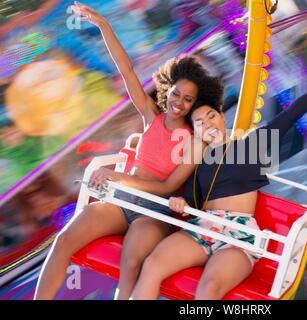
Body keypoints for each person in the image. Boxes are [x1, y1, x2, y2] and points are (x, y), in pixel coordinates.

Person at [34, 2, 223, 300]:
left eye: (188, 99)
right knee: (64, 240)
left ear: (194, 105)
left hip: (153, 211)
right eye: (176, 93)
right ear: (168, 89)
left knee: (131, 263)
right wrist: (103, 25)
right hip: (121, 201)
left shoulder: (194, 139)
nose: (179, 102)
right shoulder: (151, 115)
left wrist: (118, 177)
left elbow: (168, 186)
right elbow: (125, 67)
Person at [127, 63, 307, 299]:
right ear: (195, 132)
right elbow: (187, 201)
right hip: (203, 227)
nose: (208, 124)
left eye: (211, 116)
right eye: (199, 123)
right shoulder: (195, 161)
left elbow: (289, 116)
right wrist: (180, 203)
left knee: (209, 288)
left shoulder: (250, 145)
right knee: (152, 265)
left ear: (221, 117)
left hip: (238, 235)